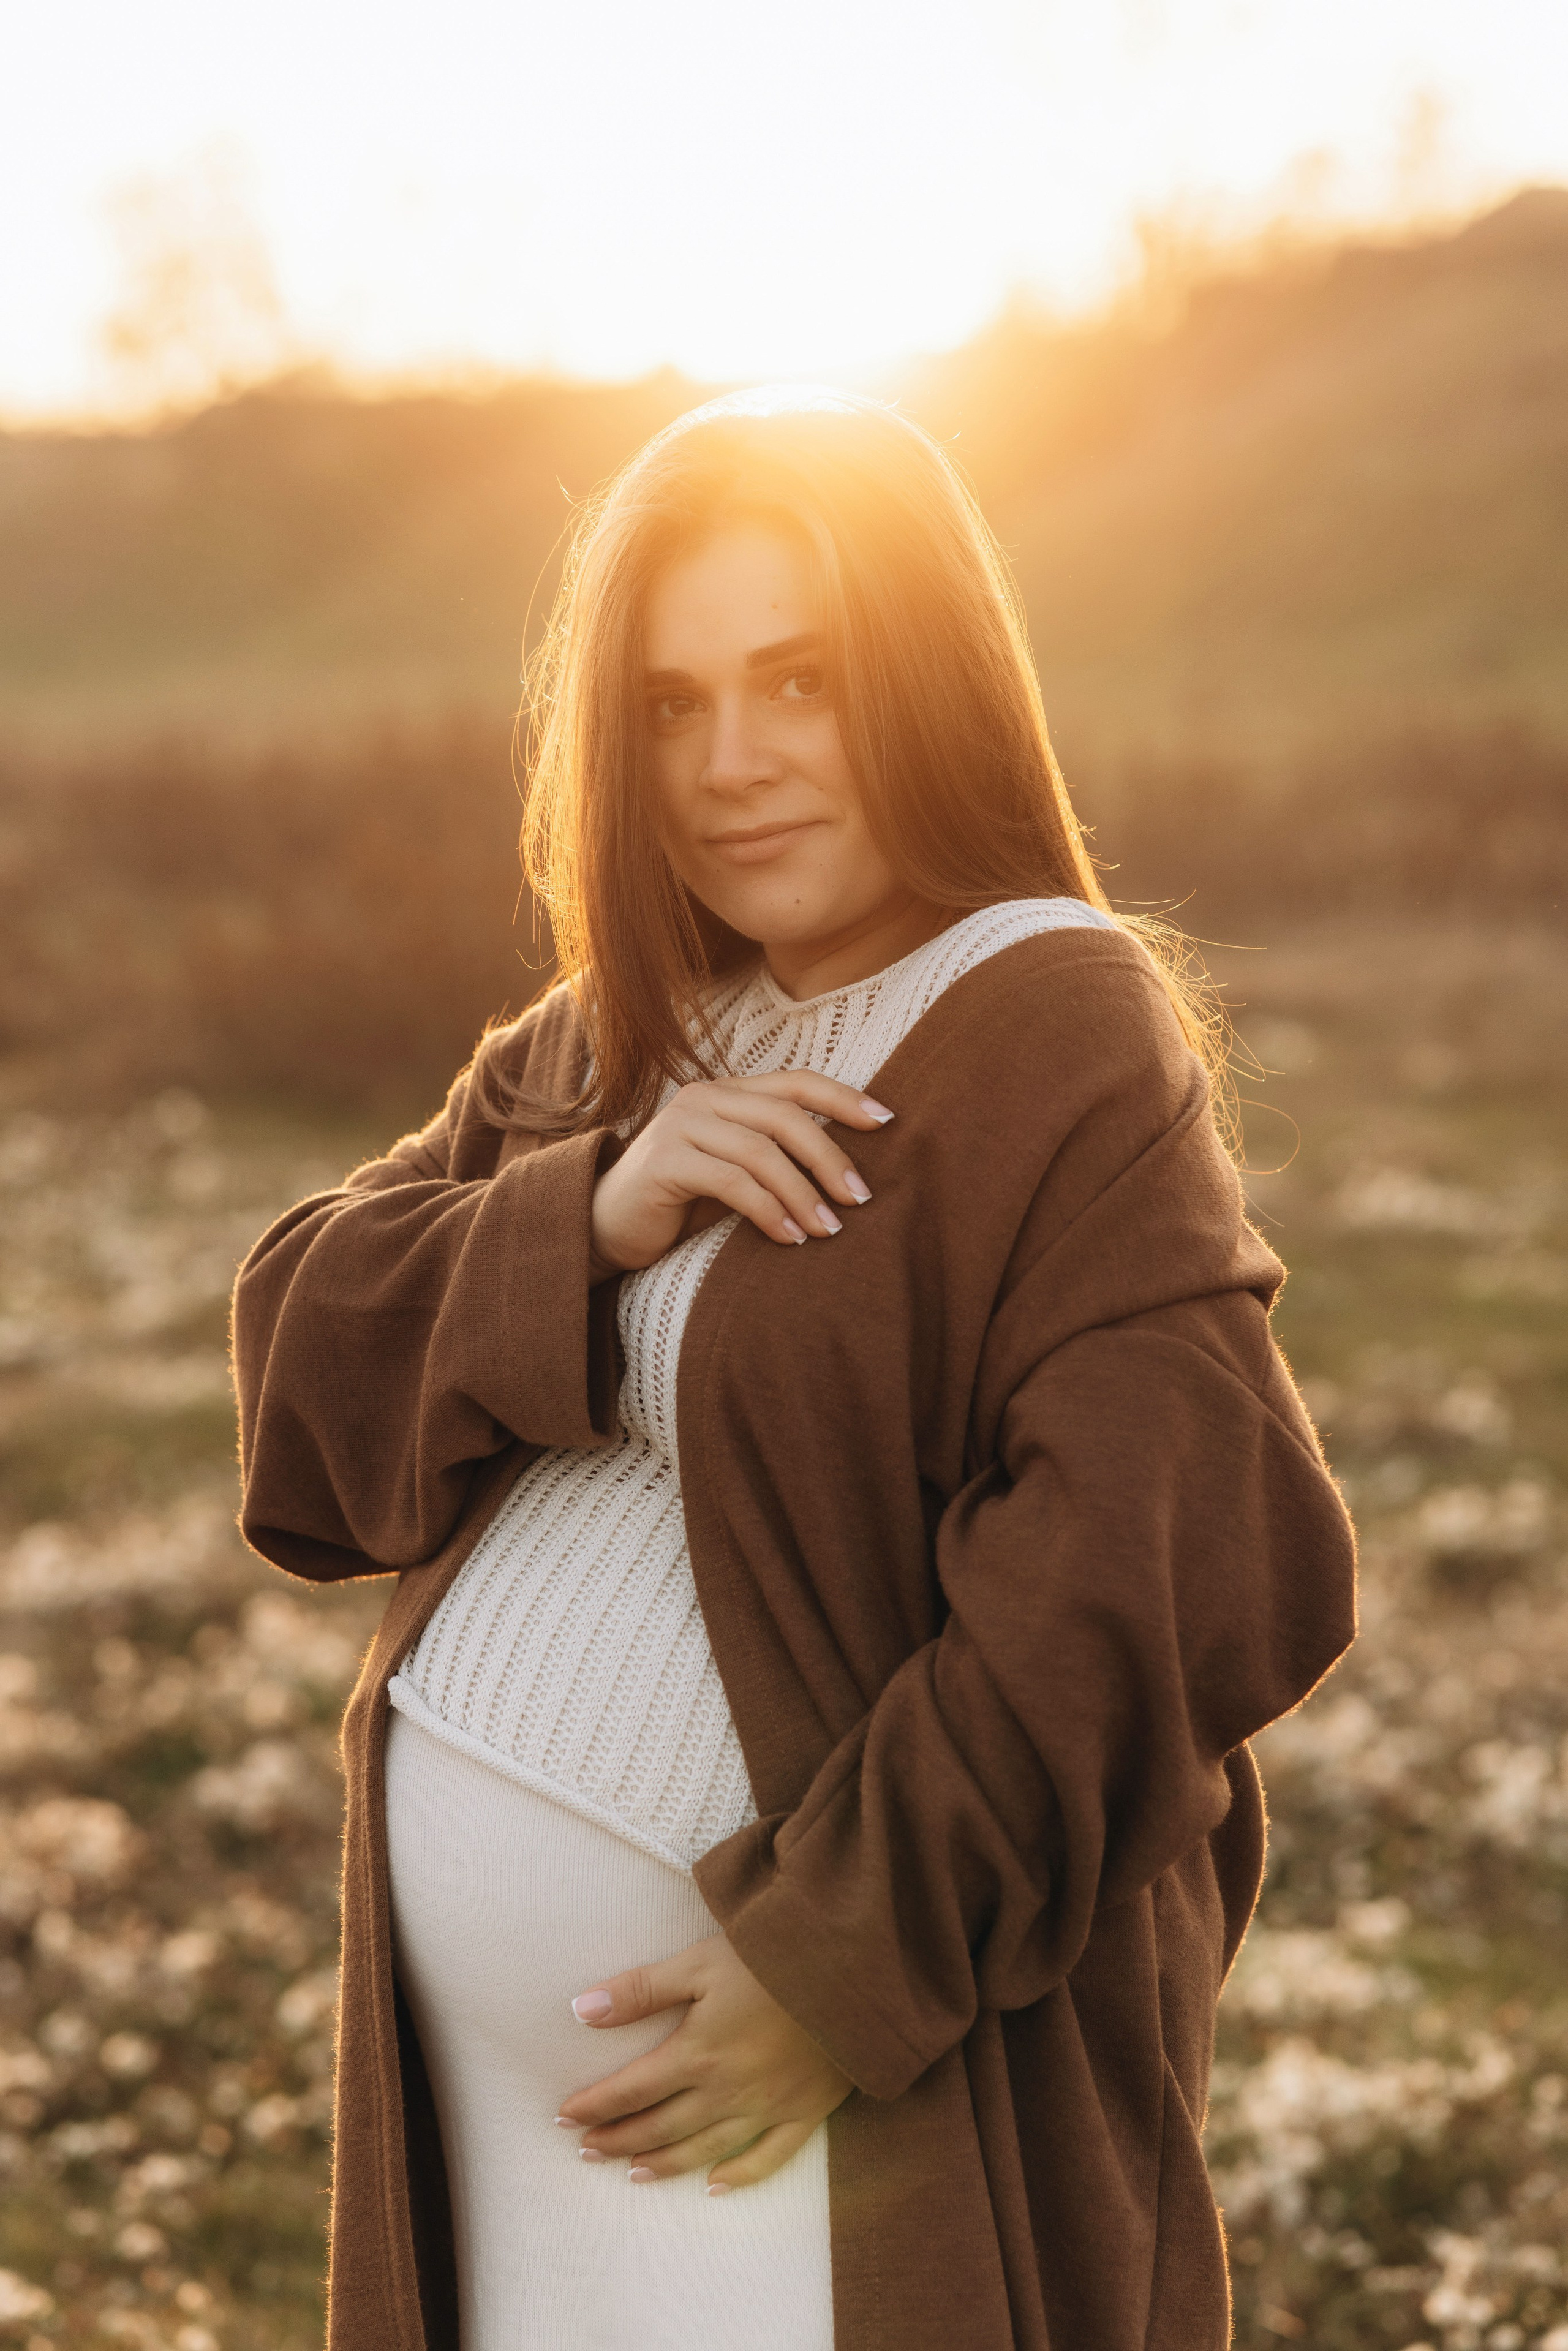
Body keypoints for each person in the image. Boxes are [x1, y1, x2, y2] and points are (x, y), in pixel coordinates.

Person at [232, 387, 1357, 2351]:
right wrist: (576, 1222)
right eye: (673, 705)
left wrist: (836, 1972)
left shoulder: (1050, 1024)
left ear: (919, 684)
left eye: (799, 682)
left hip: (828, 2122)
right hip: (498, 2136)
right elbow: (301, 1371)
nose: (732, 765)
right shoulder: (605, 1042)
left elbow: (1174, 1558)